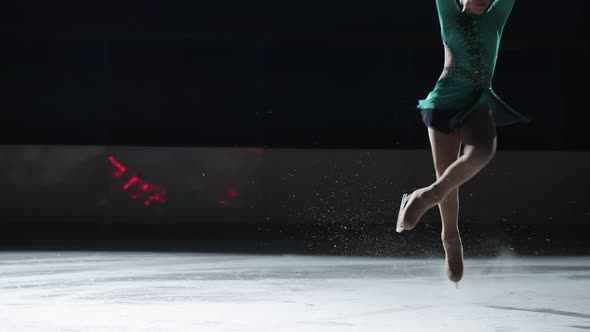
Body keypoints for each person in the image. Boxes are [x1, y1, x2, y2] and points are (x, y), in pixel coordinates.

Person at [396, 0, 530, 283]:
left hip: (479, 102)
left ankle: (426, 195)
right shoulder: (449, 14)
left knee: (482, 152)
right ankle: (451, 239)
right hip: (445, 102)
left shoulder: (495, 18)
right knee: (447, 173)